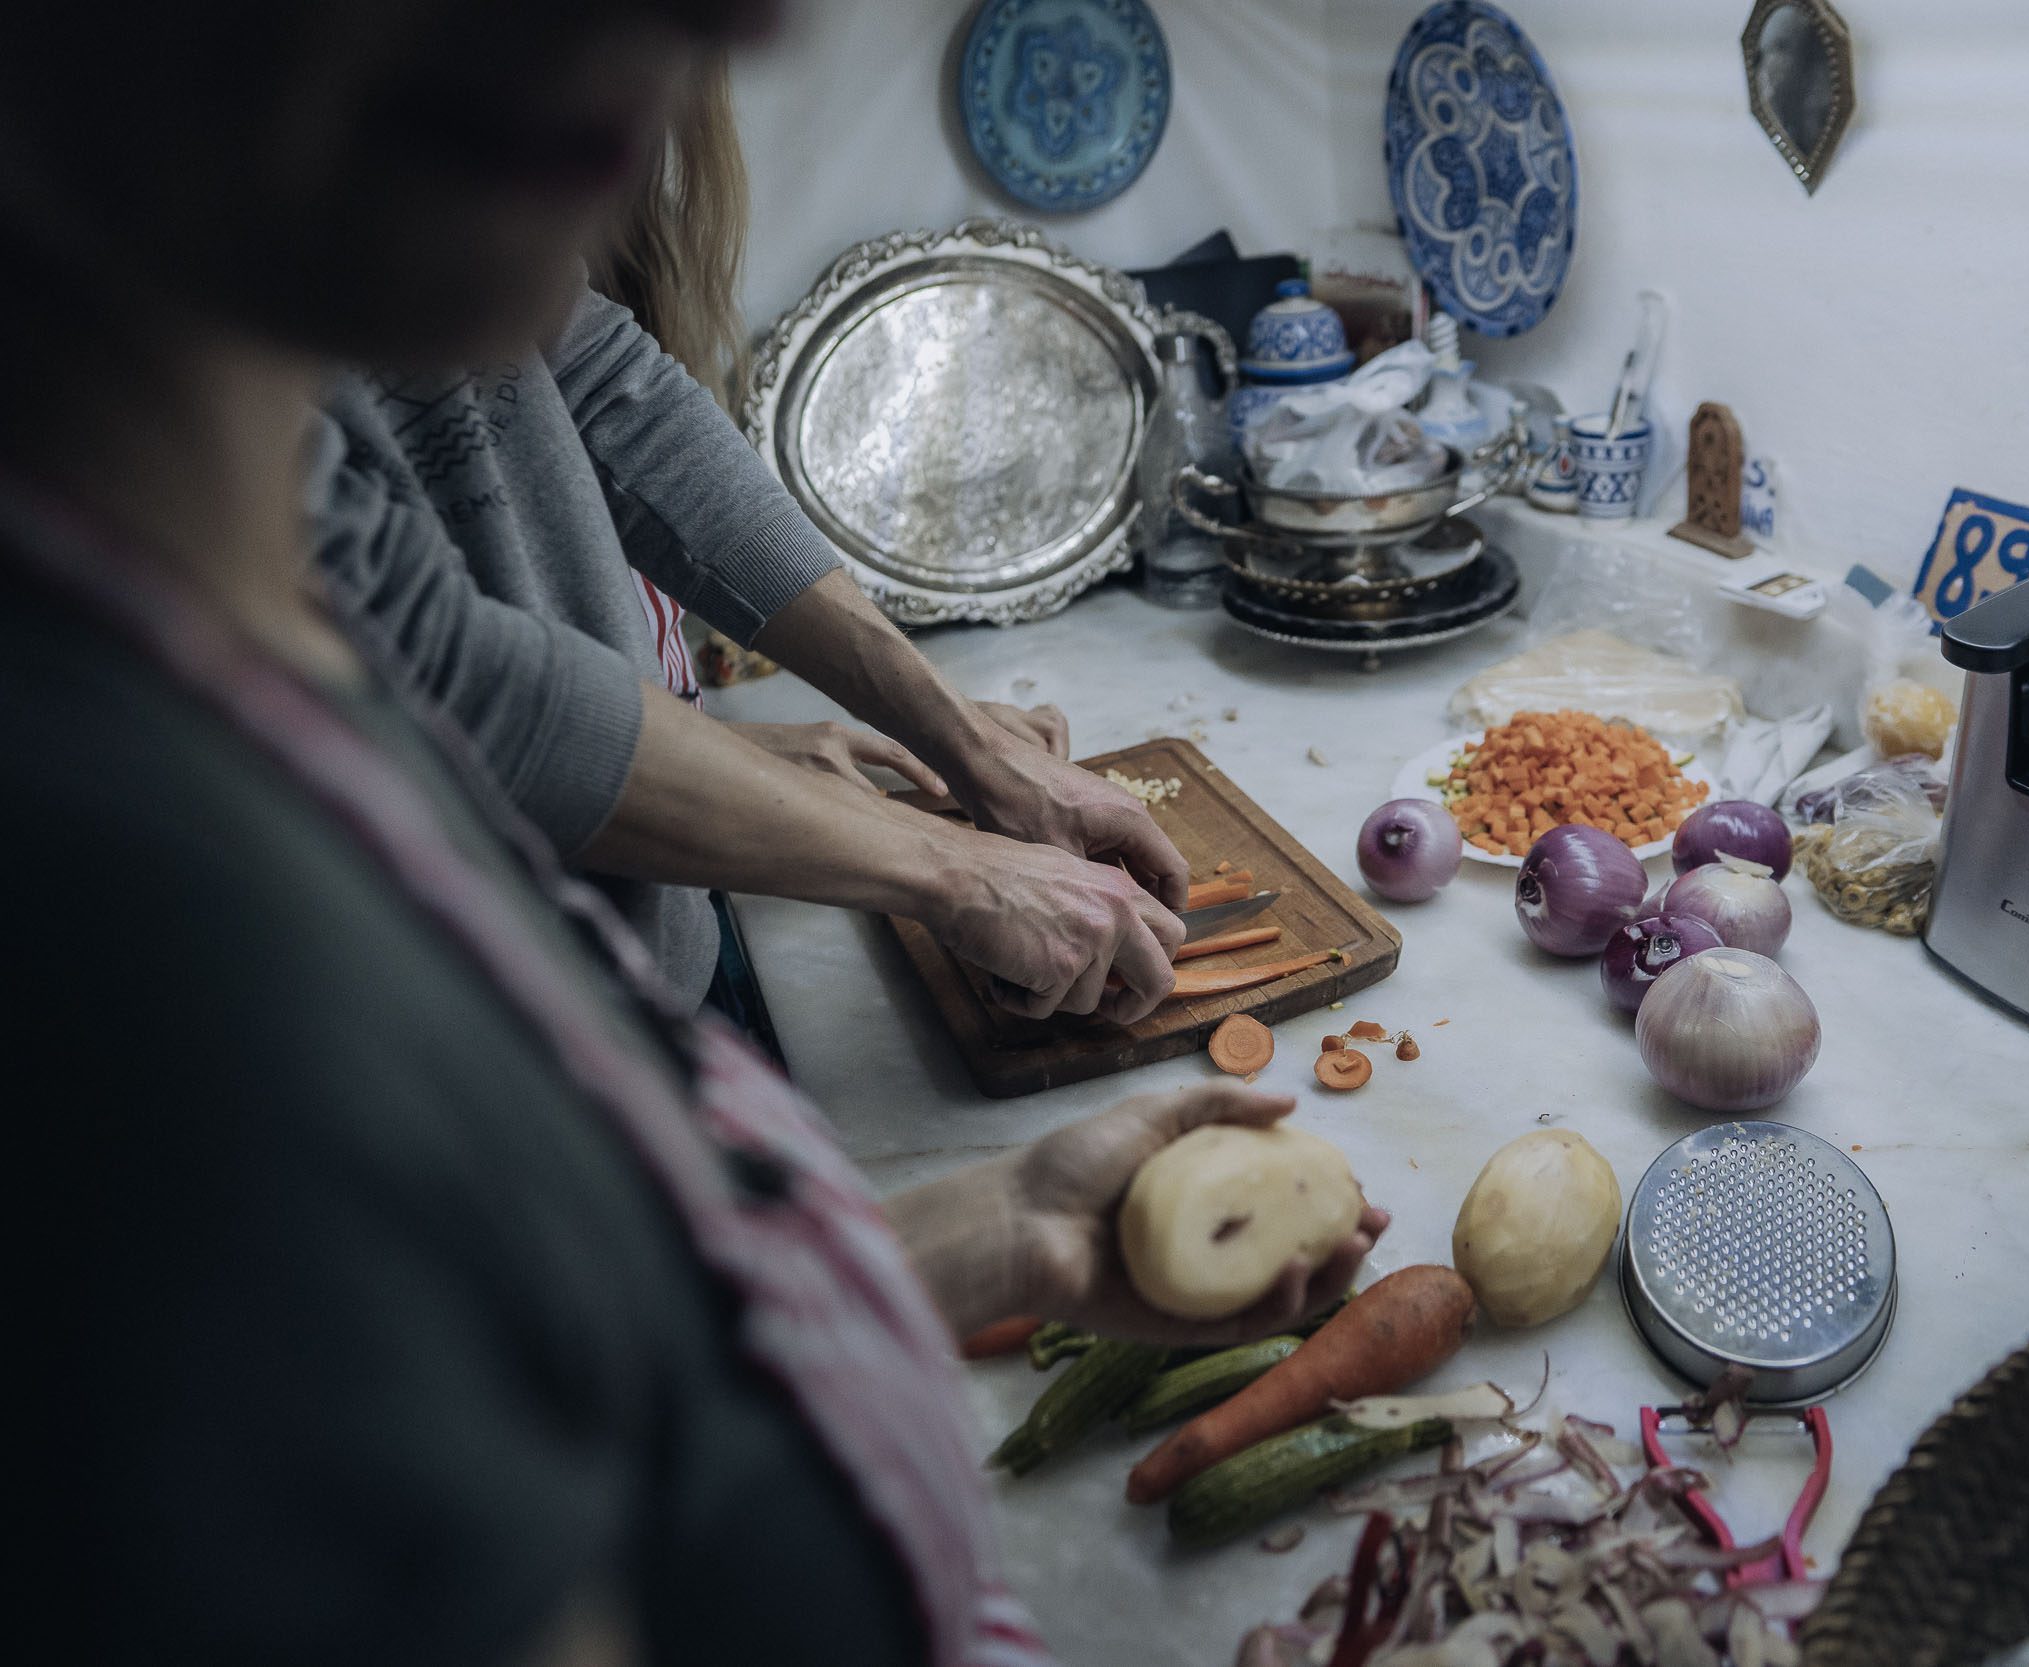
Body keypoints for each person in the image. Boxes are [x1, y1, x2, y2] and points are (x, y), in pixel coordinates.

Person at [3, 3, 1384, 1662]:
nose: (752, 20)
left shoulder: (275, 678)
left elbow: (591, 1372)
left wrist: (990, 1230)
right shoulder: (162, 959)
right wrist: (953, 863)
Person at [314, 60, 1183, 1023]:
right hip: (486, 1013)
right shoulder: (206, 183)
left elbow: (603, 384)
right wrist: (958, 872)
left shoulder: (402, 146)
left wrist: (971, 744)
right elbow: (448, 680)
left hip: (648, 939)